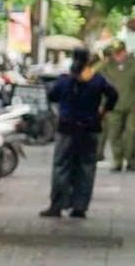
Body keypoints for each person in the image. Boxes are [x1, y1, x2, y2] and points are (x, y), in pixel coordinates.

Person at [43, 49, 118, 218]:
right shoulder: (98, 80)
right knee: (86, 167)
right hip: (91, 128)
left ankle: (58, 205)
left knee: (62, 166)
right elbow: (113, 95)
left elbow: (52, 95)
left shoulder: (66, 80)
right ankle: (80, 207)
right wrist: (104, 111)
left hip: (67, 128)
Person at [99, 42, 135, 171]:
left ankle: (131, 161)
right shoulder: (106, 66)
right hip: (113, 106)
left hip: (132, 105)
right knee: (114, 135)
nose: (117, 56)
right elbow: (101, 86)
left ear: (125, 51)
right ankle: (117, 161)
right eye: (115, 53)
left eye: (120, 52)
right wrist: (102, 105)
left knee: (131, 135)